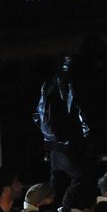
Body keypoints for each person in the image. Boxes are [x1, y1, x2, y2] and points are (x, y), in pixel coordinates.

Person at [34, 54, 95, 191]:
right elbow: (80, 110)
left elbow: (38, 114)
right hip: (71, 144)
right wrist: (88, 139)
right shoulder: (71, 83)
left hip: (55, 146)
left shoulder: (48, 84)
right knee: (81, 185)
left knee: (57, 187)